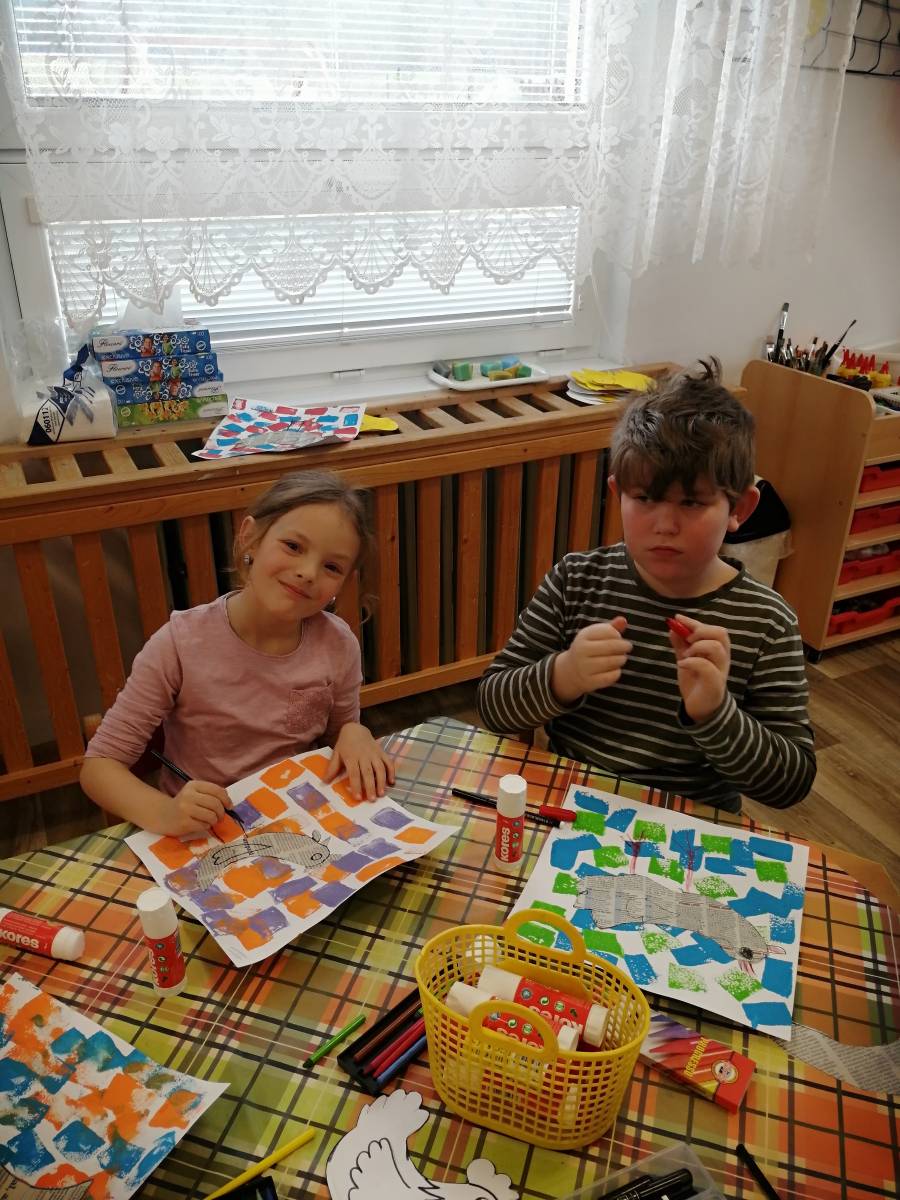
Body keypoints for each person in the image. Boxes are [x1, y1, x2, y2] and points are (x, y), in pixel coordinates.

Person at [476, 359, 816, 812]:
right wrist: (563, 675)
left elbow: (790, 784)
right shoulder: (575, 581)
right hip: (573, 809)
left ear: (740, 509)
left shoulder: (766, 622)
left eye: (692, 503)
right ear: (618, 494)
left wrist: (716, 714)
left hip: (689, 826)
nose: (665, 525)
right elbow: (492, 705)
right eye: (645, 498)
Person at [81, 470, 394, 836]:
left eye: (332, 566)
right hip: (203, 829)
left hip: (299, 818)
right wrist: (165, 812)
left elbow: (337, 740)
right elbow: (99, 767)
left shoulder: (339, 644)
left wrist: (354, 732)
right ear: (249, 538)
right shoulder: (179, 643)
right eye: (293, 546)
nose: (308, 572)